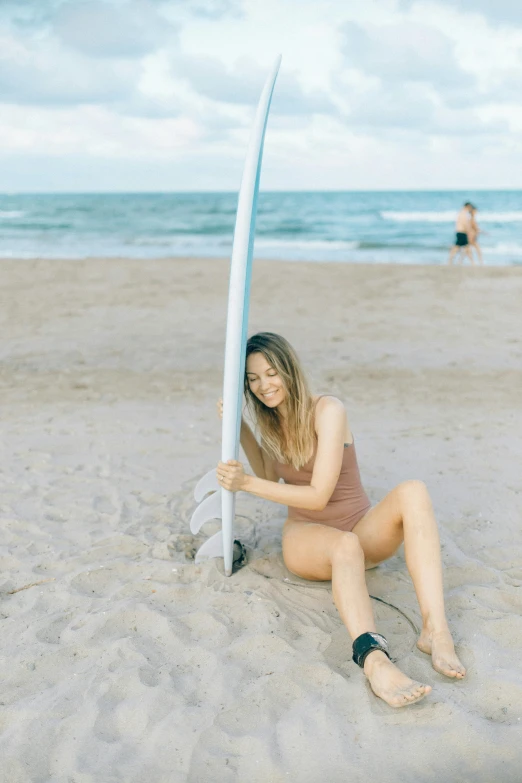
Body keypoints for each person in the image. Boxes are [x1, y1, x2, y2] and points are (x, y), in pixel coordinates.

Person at [216, 332, 466, 709]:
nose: (264, 386)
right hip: (308, 540)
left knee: (413, 490)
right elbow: (269, 479)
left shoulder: (328, 411)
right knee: (343, 545)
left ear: (289, 370)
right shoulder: (269, 422)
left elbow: (318, 494)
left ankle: (436, 629)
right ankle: (374, 660)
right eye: (253, 379)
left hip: (360, 529)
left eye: (271, 373)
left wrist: (245, 484)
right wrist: (241, 427)